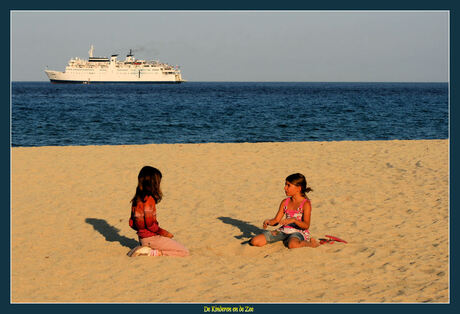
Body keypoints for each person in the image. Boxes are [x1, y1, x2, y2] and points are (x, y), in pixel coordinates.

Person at [127, 166, 189, 257]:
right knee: (184, 252)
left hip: (142, 238)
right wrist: (164, 233)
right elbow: (150, 224)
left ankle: (145, 246)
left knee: (169, 243)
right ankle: (152, 252)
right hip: (151, 239)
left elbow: (131, 223)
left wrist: (142, 232)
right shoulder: (149, 200)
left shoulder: (136, 199)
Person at [250, 173, 319, 249]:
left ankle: (311, 244)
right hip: (283, 231)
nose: (285, 188)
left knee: (292, 245)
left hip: (298, 232)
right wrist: (269, 222)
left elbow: (306, 225)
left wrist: (294, 220)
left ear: (298, 188)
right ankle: (285, 239)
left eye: (288, 185)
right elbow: (276, 220)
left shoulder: (306, 204)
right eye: (285, 185)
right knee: (255, 241)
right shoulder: (285, 202)